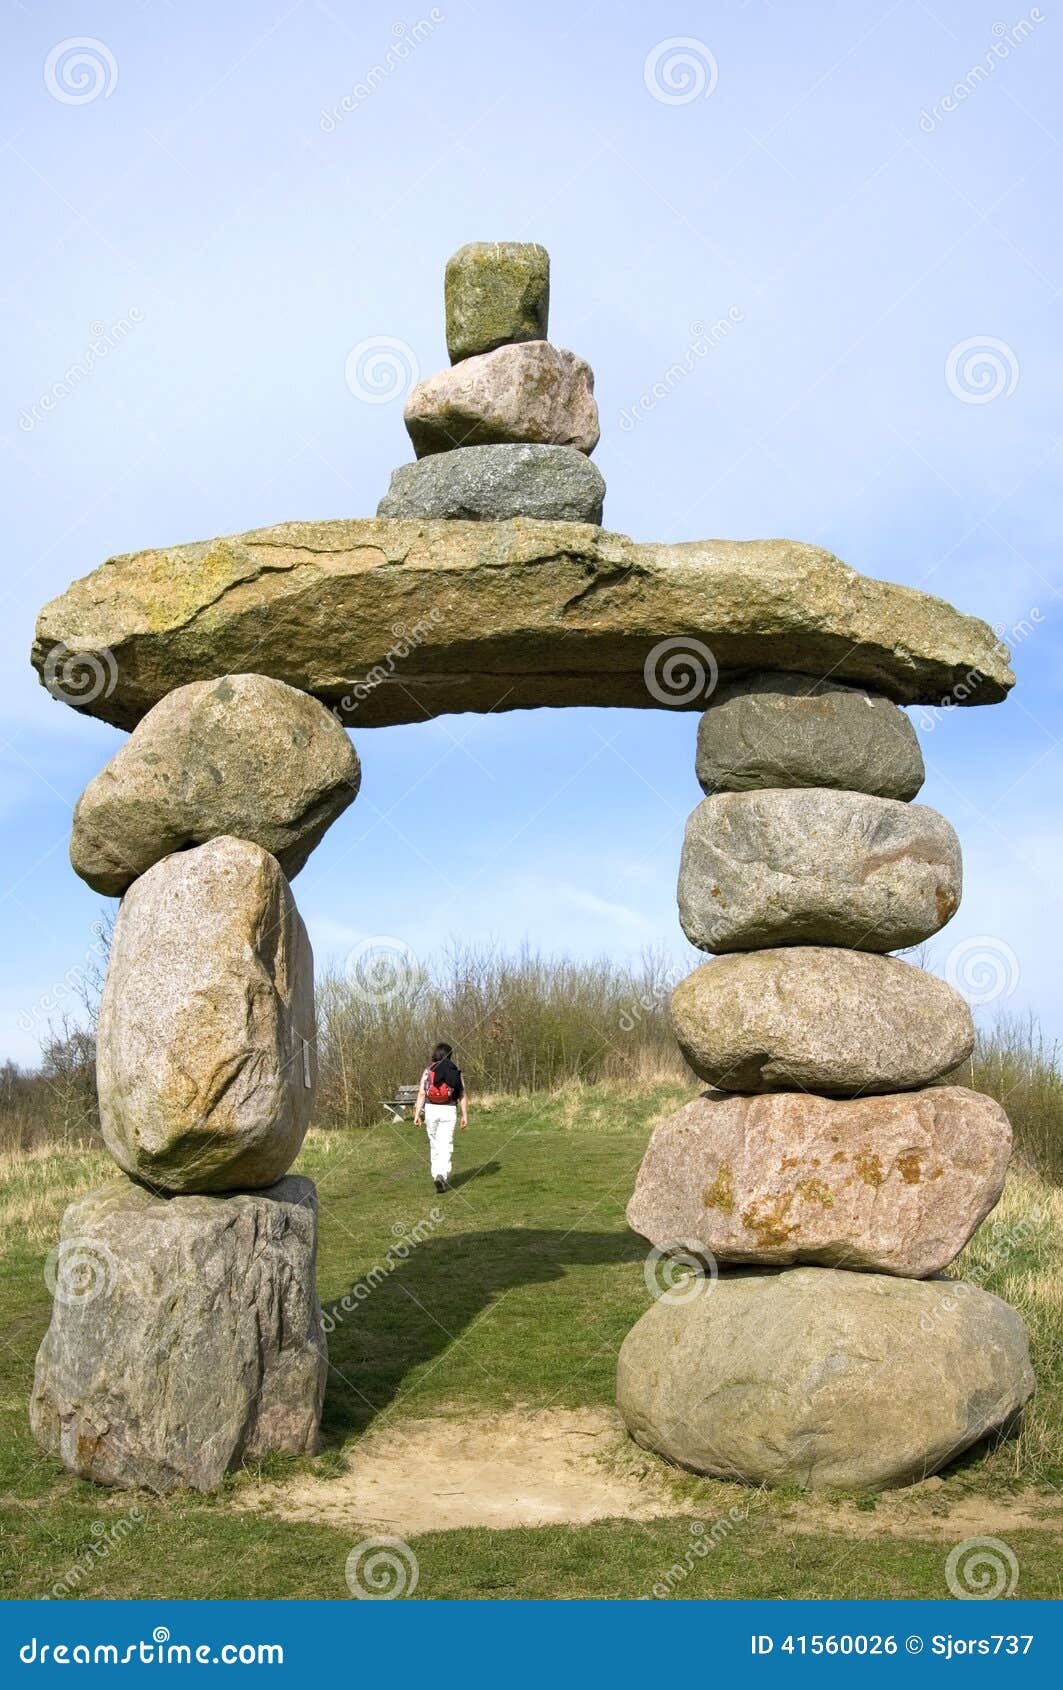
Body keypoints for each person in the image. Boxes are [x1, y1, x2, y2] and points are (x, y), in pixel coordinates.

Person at [413, 1041, 467, 1192]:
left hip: (431, 1109)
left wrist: (417, 1114)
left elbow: (422, 1093)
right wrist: (464, 1115)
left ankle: (436, 1174)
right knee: (446, 1144)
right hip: (449, 1109)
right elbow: (462, 1094)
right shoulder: (455, 1070)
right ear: (450, 1055)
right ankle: (442, 1175)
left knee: (435, 1143)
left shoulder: (428, 1070)